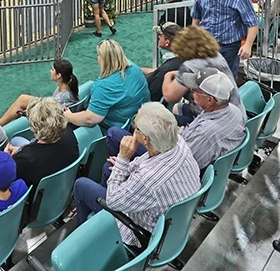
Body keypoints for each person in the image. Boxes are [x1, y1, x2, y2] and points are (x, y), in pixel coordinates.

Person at [71, 102, 202, 245]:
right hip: (173, 217)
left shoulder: (147, 180)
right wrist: (123, 166)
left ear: (145, 138)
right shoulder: (179, 142)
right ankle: (98, 216)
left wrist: (123, 158)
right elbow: (148, 162)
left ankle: (81, 239)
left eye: (136, 127)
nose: (133, 128)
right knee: (109, 167)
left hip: (140, 230)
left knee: (81, 185)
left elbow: (113, 201)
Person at [190, 0, 259, 80]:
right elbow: (196, 17)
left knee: (227, 79)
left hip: (229, 47)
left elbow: (252, 23)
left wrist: (248, 45)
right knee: (205, 78)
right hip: (205, 44)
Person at [173, 65, 247, 171]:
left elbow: (181, 162)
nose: (191, 90)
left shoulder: (205, 132)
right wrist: (180, 131)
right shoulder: (234, 110)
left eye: (194, 90)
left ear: (210, 100)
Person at [65, 40, 149, 130]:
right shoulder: (133, 67)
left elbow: (91, 118)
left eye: (98, 55)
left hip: (121, 126)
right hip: (140, 117)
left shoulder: (103, 87)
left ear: (103, 59)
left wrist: (69, 117)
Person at [3, 98, 80, 192]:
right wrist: (21, 149)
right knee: (16, 140)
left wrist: (6, 161)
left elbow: (6, 181)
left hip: (37, 196)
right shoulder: (68, 133)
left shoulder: (25, 160)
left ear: (35, 128)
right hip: (62, 186)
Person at [0, 59, 79, 126]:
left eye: (52, 70)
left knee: (21, 104)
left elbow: (50, 111)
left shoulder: (62, 97)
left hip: (49, 116)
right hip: (51, 106)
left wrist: (30, 111)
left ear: (59, 75)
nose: (50, 71)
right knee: (22, 99)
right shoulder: (66, 87)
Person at [142, 22, 183, 102]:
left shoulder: (166, 69)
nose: (158, 37)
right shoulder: (183, 58)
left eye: (161, 35)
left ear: (167, 42)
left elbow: (152, 97)